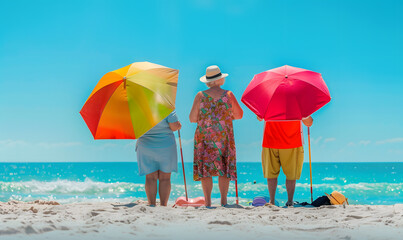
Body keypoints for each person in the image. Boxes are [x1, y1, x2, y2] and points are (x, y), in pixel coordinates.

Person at [189, 65, 243, 207]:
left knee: (206, 169)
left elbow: (192, 118)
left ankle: (207, 202)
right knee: (224, 168)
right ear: (220, 79)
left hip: (204, 137)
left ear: (208, 81)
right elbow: (239, 115)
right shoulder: (228, 95)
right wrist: (225, 115)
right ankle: (224, 201)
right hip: (224, 136)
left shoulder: (200, 96)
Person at [258, 116, 313, 206]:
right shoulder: (297, 103)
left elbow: (259, 117)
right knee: (291, 174)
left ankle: (272, 201)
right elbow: (309, 123)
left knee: (271, 173)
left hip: (271, 140)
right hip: (291, 141)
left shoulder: (269, 102)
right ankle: (290, 201)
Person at [136, 110, 181, 206]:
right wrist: (178, 125)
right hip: (165, 146)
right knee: (165, 178)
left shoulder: (138, 108)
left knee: (150, 177)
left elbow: (135, 127)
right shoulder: (166, 106)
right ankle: (163, 205)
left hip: (146, 145)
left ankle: (152, 203)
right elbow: (173, 127)